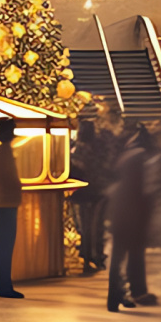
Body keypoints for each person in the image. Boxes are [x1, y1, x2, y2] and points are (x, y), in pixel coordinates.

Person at [105, 123, 156, 311]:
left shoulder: (125, 156)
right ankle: (136, 291)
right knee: (135, 255)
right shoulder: (143, 158)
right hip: (134, 214)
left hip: (119, 211)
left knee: (117, 256)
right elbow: (147, 189)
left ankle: (115, 297)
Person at [70, 103, 118, 275]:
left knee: (85, 224)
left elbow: (76, 162)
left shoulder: (79, 144)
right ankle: (95, 256)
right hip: (99, 188)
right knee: (96, 224)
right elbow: (110, 161)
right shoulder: (105, 140)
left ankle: (86, 255)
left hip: (83, 189)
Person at [0, 119, 23, 298]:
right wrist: (19, 187)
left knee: (3, 244)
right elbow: (10, 177)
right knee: (5, 245)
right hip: (7, 203)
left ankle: (3, 284)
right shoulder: (5, 152)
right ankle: (3, 286)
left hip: (0, 202)